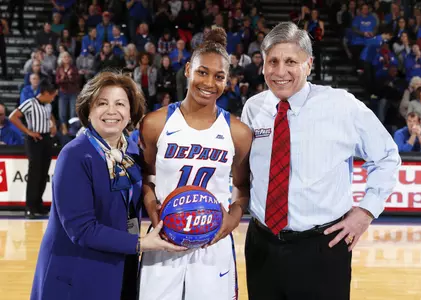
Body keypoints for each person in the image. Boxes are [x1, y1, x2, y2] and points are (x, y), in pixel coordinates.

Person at [241, 22, 401, 300]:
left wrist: (366, 212)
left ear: (309, 64)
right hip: (261, 245)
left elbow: (387, 156)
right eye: (273, 61)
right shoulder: (254, 107)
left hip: (321, 248)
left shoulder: (341, 105)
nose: (280, 72)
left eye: (291, 61)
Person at [29, 72, 185, 300]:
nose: (111, 111)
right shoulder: (74, 155)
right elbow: (81, 230)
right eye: (102, 103)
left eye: (120, 104)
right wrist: (141, 243)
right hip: (77, 272)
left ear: (130, 112)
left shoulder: (132, 153)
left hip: (121, 264)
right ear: (88, 110)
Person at [138, 27, 252, 300]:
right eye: (202, 72)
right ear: (188, 69)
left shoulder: (238, 132)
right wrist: (152, 207)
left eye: (219, 76)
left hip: (212, 243)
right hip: (163, 238)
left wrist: (233, 219)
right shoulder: (155, 123)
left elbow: (242, 189)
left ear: (228, 81)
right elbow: (146, 178)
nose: (209, 83)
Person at [9, 79, 58, 219]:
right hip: (34, 139)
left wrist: (53, 125)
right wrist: (28, 131)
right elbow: (13, 117)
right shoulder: (30, 103)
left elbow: (50, 116)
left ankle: (38, 205)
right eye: (53, 94)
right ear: (45, 93)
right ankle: (29, 207)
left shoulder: (48, 105)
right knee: (34, 174)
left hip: (46, 139)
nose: (54, 97)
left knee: (43, 173)